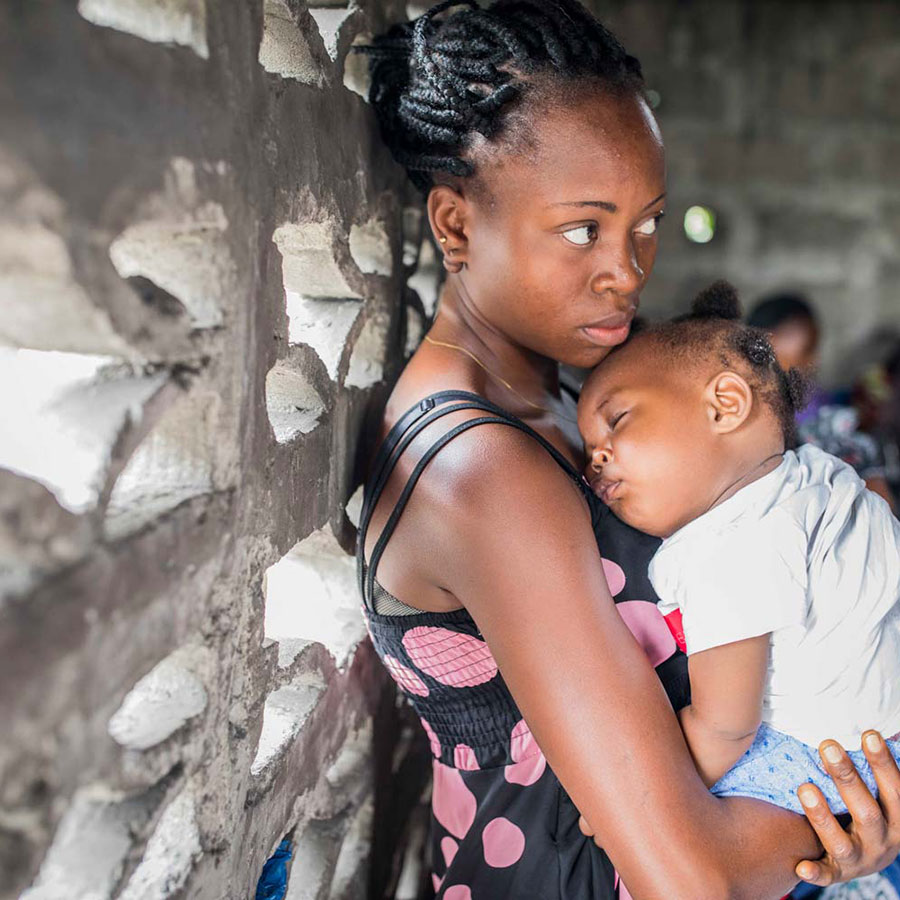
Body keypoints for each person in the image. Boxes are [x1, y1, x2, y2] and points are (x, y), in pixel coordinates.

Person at [354, 2, 900, 897]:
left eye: (646, 222)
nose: (628, 268)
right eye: (583, 229)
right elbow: (693, 881)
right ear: (454, 227)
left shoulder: (575, 394)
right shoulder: (478, 468)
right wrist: (833, 817)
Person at [578, 281, 900, 817]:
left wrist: (635, 805)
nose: (598, 458)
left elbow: (725, 726)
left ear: (725, 404)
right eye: (589, 450)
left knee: (673, 817)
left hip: (833, 753)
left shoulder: (730, 544)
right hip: (880, 728)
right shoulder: (810, 478)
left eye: (616, 420)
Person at [747, 293, 896, 510]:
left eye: (814, 349)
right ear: (767, 341)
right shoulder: (745, 409)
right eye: (807, 349)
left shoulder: (813, 396)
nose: (814, 360)